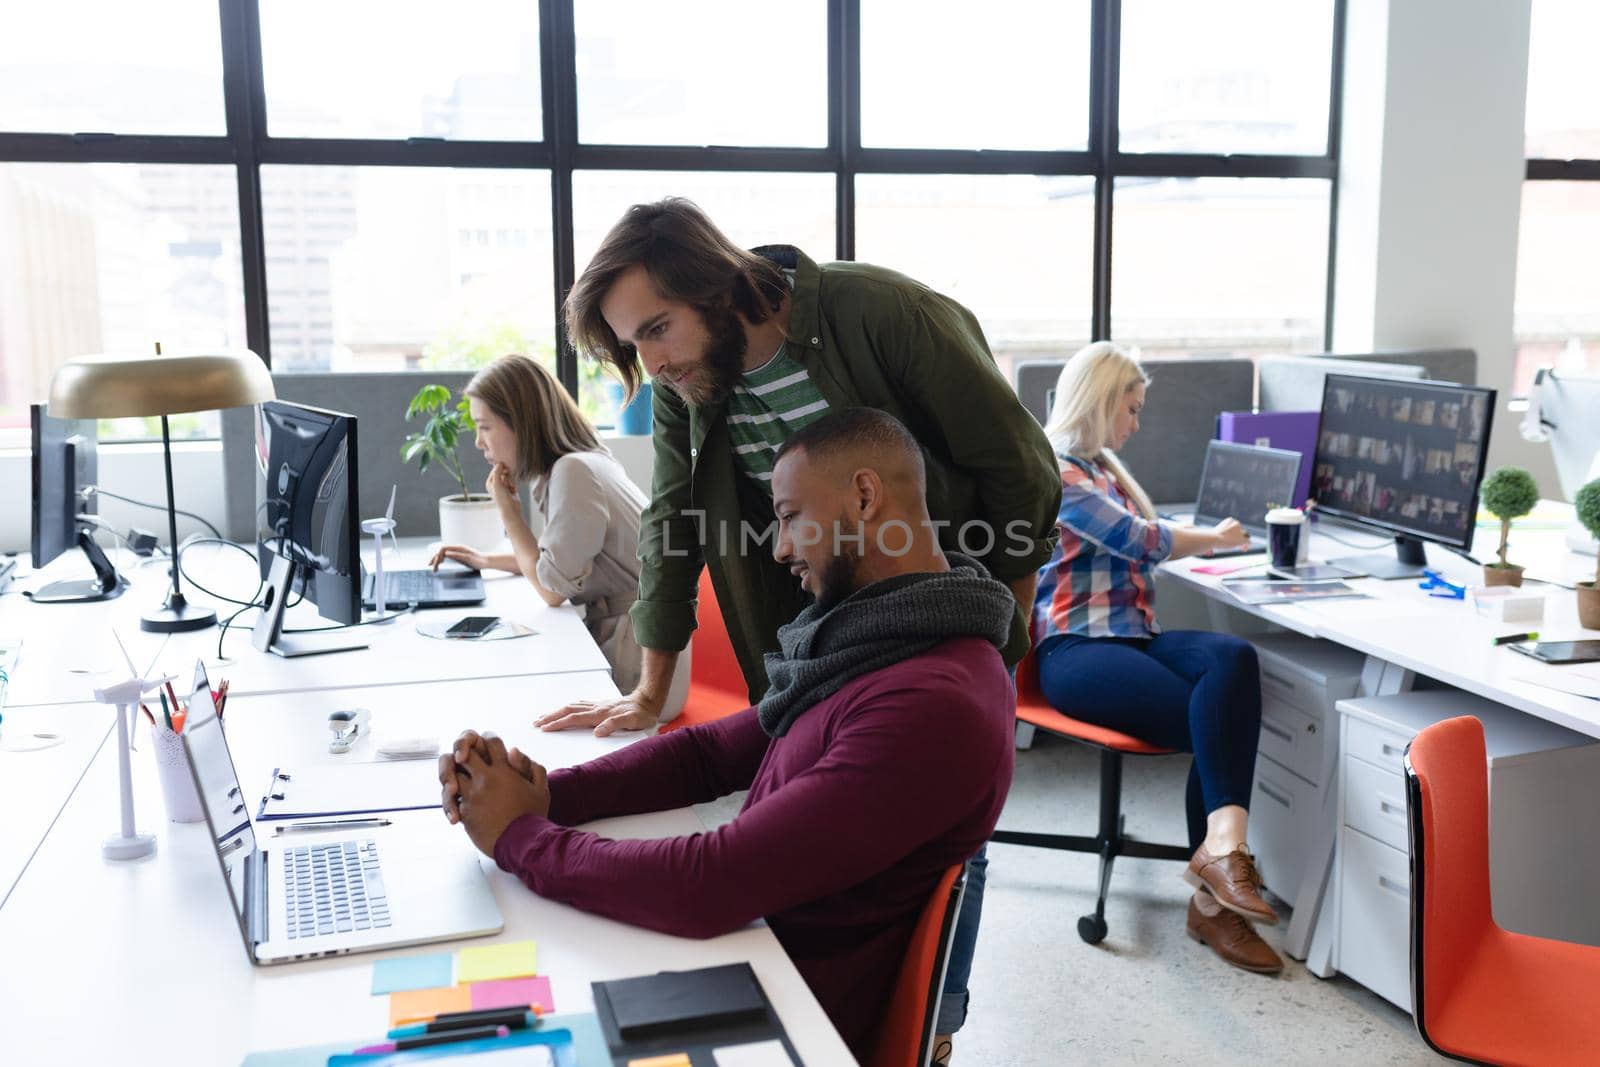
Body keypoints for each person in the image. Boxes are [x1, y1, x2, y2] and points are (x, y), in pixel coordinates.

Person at [539, 197, 1062, 1052]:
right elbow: (675, 518)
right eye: (635, 342)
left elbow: (1020, 469)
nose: (653, 360)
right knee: (805, 836)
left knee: (931, 838)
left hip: (934, 599)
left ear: (714, 283)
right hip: (812, 625)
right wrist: (651, 684)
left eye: (658, 328)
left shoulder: (884, 313)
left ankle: (930, 1025)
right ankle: (809, 980)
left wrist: (999, 645)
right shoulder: (689, 381)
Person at [438, 409, 1016, 1062]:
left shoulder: (933, 702)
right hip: (745, 955)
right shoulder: (879, 636)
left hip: (782, 1010)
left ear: (863, 496)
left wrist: (521, 837)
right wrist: (544, 795)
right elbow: (709, 754)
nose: (781, 549)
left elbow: (713, 881)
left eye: (793, 516)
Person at [1032, 341, 1283, 975]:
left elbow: (1144, 528)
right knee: (1216, 719)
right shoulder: (1056, 470)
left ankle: (1221, 851)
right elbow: (1138, 540)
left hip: (1136, 636)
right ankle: (1214, 898)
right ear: (1103, 400)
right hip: (1075, 651)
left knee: (1232, 660)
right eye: (1133, 409)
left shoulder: (1103, 469)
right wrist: (1221, 536)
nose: (1136, 425)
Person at [429, 354, 651, 695]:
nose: (478, 441)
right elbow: (557, 564)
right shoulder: (579, 462)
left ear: (521, 422)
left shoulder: (573, 472)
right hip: (632, 642)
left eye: (485, 426)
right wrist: (487, 561)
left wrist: (509, 513)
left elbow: (551, 591)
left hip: (636, 661)